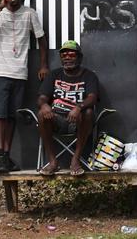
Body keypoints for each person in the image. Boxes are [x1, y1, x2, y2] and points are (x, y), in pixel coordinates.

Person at [0, 0, 48, 173]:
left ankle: (6, 157)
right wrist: (0, 8)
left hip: (19, 72)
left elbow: (41, 40)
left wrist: (43, 65)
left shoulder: (29, 14)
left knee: (11, 116)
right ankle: (0, 155)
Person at [37, 40, 99, 176]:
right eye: (64, 55)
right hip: (56, 120)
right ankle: (53, 162)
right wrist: (44, 105)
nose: (67, 58)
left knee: (88, 112)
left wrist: (78, 107)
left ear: (79, 57)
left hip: (78, 121)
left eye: (71, 54)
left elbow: (92, 97)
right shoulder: (54, 74)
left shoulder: (89, 75)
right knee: (42, 113)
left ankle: (75, 160)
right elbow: (42, 98)